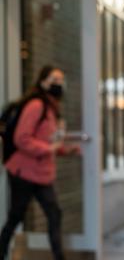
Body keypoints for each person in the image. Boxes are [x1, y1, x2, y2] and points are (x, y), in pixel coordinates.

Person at [0, 65, 79, 260]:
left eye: (61, 80)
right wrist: (49, 149)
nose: (58, 84)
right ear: (43, 82)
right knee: (16, 216)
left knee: (54, 214)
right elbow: (22, 138)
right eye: (54, 80)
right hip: (24, 172)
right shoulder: (36, 105)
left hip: (42, 174)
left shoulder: (51, 108)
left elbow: (47, 140)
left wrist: (64, 150)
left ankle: (59, 256)